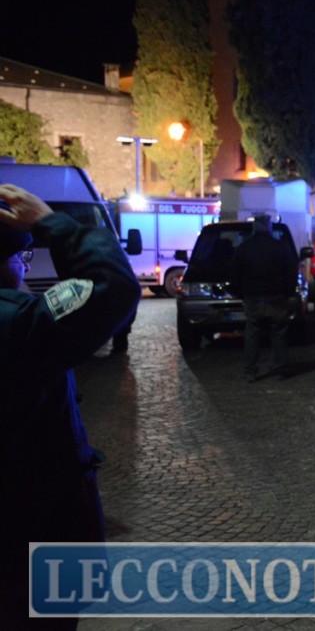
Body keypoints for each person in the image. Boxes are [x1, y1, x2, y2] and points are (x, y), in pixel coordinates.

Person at [0, 184, 140, 628]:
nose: (25, 266)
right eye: (21, 256)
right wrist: (52, 223)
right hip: (27, 544)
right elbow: (112, 287)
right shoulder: (17, 325)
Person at [230, 214, 299, 382]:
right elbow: (291, 273)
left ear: (254, 227)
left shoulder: (244, 248)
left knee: (252, 335)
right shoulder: (281, 247)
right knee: (279, 334)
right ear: (269, 227)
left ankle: (250, 371)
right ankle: (280, 369)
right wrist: (288, 293)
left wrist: (241, 294)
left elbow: (235, 274)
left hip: (253, 298)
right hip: (277, 298)